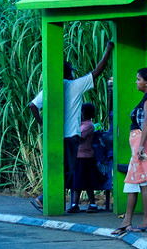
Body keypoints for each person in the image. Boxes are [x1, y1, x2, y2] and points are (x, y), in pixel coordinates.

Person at [29, 41, 115, 212]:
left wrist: (42, 124)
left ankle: (50, 200)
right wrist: (108, 50)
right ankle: (44, 198)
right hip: (70, 137)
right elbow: (97, 71)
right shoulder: (73, 86)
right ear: (69, 73)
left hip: (54, 136)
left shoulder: (50, 88)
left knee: (59, 168)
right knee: (69, 171)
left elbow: (32, 106)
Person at [111, 67, 147, 234]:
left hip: (143, 143)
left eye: (138, 79)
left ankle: (145, 222)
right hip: (142, 141)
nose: (136, 82)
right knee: (134, 181)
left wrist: (141, 145)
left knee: (143, 182)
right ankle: (127, 221)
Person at [68, 103, 102, 213]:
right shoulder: (83, 124)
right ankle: (75, 204)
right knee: (78, 181)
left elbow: (78, 137)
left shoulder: (88, 126)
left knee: (86, 181)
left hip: (85, 157)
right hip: (79, 156)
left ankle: (92, 204)